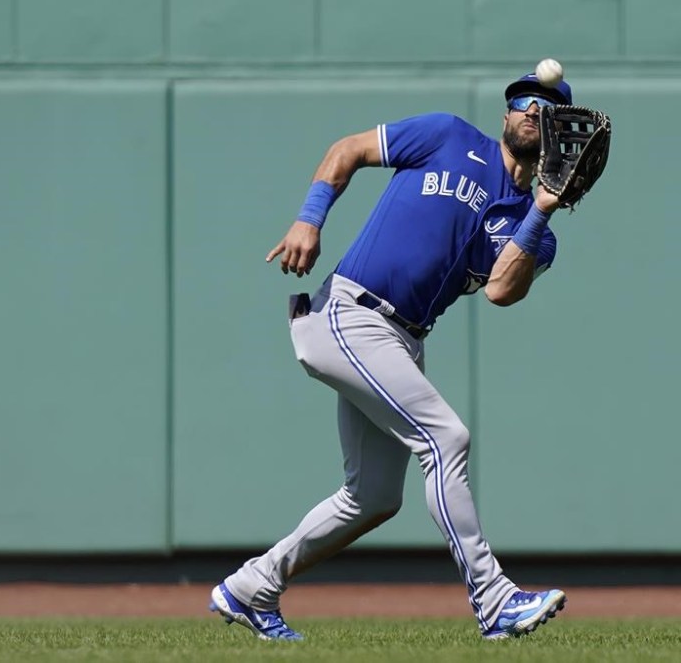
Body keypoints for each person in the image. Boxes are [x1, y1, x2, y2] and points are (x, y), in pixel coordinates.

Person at [209, 72, 576, 641]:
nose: (534, 109)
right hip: (349, 312)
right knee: (446, 438)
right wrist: (310, 216)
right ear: (506, 115)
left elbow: (503, 289)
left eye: (549, 107)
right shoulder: (448, 136)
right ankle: (495, 598)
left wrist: (544, 209)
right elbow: (348, 150)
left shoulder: (535, 227)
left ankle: (252, 587)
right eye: (525, 101)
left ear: (559, 135)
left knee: (373, 496)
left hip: (401, 339)